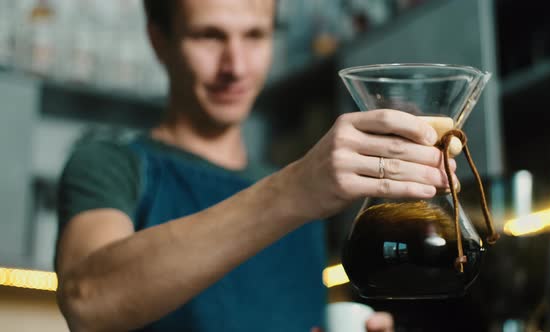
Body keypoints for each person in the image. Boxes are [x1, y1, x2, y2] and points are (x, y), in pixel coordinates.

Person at [55, 0, 457, 331]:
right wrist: (295, 189)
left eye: (255, 36)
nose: (236, 66)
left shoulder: (306, 197)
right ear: (159, 40)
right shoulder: (111, 164)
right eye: (209, 36)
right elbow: (87, 300)